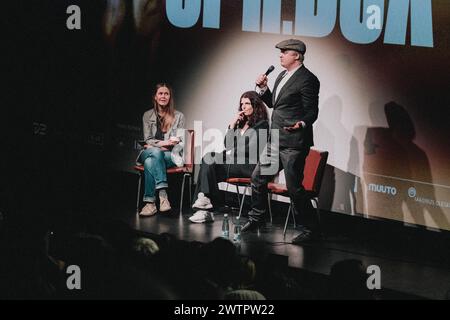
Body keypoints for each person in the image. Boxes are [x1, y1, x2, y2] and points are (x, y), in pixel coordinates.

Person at [241, 39, 320, 244]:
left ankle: (310, 228)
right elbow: (274, 104)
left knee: (295, 189)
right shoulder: (282, 76)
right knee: (258, 178)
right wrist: (263, 89)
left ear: (297, 55)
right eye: (281, 52)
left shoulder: (308, 79)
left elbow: (312, 110)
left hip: (294, 142)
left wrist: (301, 123)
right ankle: (257, 218)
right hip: (275, 140)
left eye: (284, 52)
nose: (280, 55)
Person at [189, 91, 269, 223]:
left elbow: (252, 149)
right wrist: (232, 125)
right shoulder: (241, 123)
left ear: (255, 105)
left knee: (209, 165)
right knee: (207, 159)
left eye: (247, 103)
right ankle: (204, 206)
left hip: (249, 166)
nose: (243, 106)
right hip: (235, 162)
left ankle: (206, 209)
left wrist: (231, 152)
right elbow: (228, 144)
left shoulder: (262, 124)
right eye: (241, 104)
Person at [136, 83, 185, 216]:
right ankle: (163, 196)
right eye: (160, 93)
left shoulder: (179, 116)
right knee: (155, 153)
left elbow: (178, 140)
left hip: (170, 155)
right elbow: (147, 139)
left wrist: (155, 145)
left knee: (150, 162)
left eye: (166, 93)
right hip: (149, 152)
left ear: (170, 97)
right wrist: (164, 143)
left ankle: (150, 203)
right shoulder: (147, 115)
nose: (163, 96)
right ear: (155, 97)